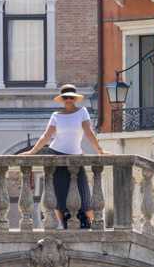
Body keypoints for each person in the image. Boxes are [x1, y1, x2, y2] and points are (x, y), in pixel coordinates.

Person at [23, 84, 106, 228]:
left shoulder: (82, 112)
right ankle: (64, 226)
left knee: (84, 194)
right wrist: (32, 152)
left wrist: (100, 150)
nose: (68, 99)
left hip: (76, 157)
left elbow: (89, 133)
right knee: (60, 197)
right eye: (65, 97)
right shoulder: (56, 116)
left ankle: (97, 225)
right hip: (56, 155)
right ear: (62, 99)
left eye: (71, 97)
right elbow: (46, 136)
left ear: (75, 99)